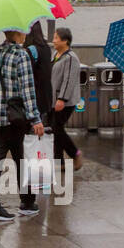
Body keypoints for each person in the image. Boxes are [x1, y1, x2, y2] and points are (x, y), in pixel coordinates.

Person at [0, 30, 44, 220]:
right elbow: (27, 89)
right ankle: (26, 202)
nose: (26, 33)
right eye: (23, 31)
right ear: (17, 33)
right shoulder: (21, 55)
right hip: (16, 119)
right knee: (22, 161)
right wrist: (35, 118)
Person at [48, 27, 84, 172]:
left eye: (56, 38)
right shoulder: (55, 55)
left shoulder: (71, 58)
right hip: (53, 99)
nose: (53, 41)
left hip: (65, 101)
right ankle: (59, 162)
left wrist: (62, 98)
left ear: (65, 41)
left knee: (57, 128)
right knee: (55, 129)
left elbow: (69, 80)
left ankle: (75, 153)